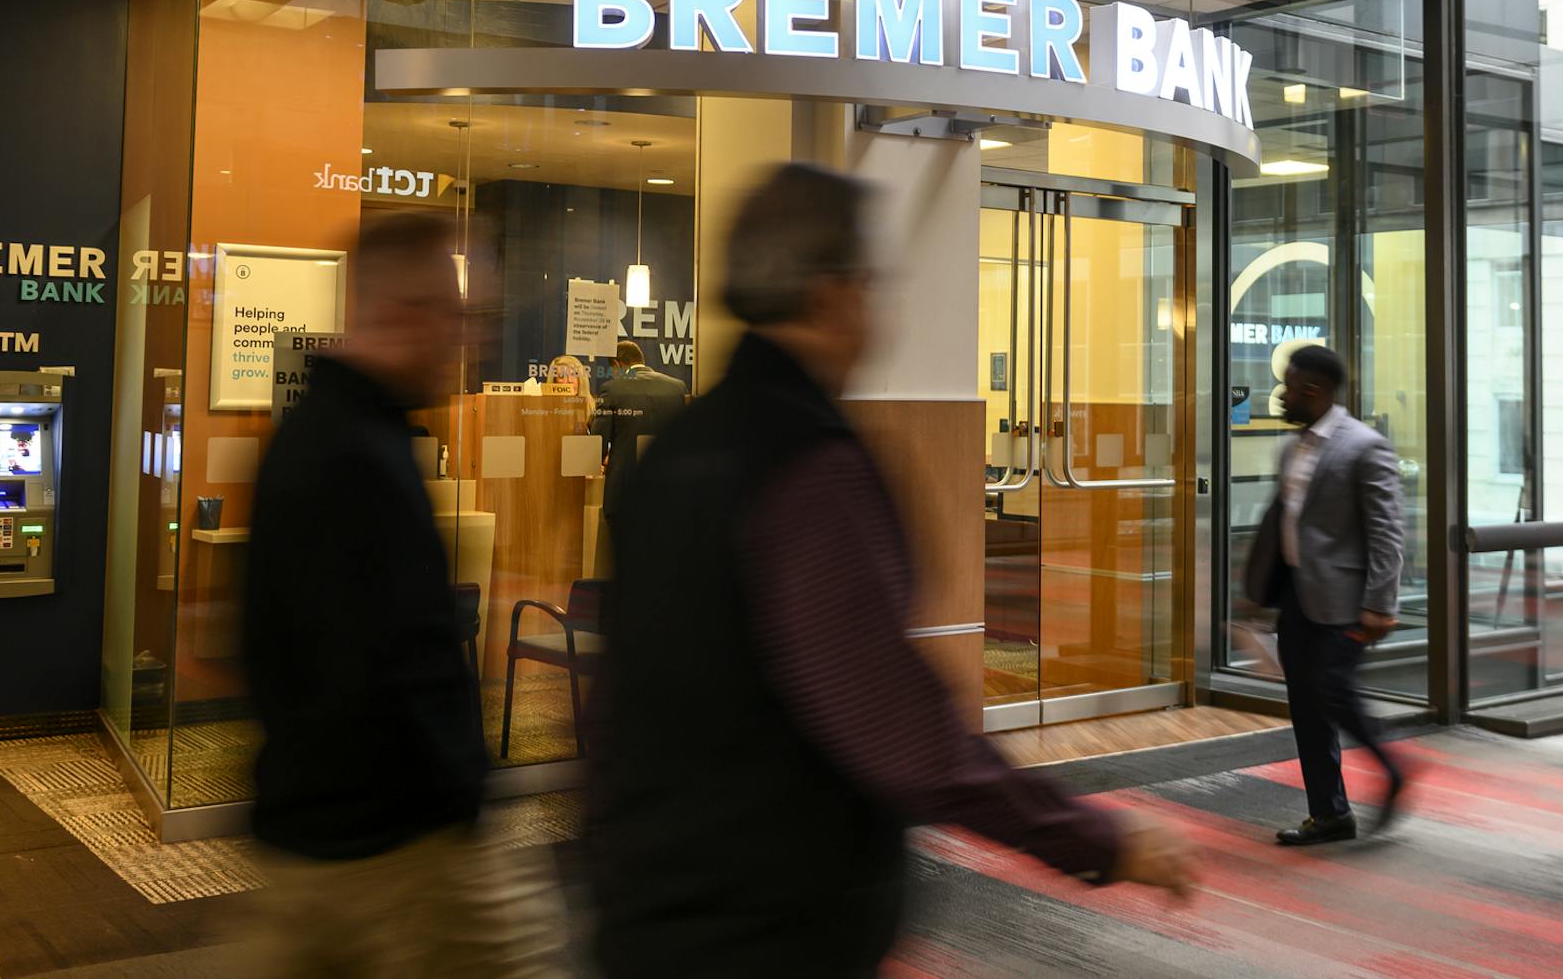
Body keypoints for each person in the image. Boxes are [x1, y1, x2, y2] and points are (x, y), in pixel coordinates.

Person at [589, 164, 1195, 978]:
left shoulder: (679, 452)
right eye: (871, 283)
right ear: (829, 294)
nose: (880, 310)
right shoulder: (810, 465)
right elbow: (900, 726)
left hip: (653, 904)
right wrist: (1091, 835)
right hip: (769, 923)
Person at [242, 213, 542, 975]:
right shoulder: (358, 456)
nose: (470, 341)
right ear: (410, 313)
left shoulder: (323, 433)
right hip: (404, 849)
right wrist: (458, 789)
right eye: (461, 318)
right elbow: (393, 659)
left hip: (316, 832)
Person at [1243, 343, 1407, 846]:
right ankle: (1330, 814)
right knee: (1306, 706)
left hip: (1346, 601)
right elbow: (1283, 520)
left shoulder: (1365, 447)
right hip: (1297, 596)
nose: (1281, 395)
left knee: (1333, 692)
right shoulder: (1291, 448)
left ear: (1312, 390)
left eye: (1289, 387)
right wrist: (1258, 590)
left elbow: (1387, 532)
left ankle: (1393, 769)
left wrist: (1380, 604)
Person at [587, 338, 686, 503]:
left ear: (617, 364)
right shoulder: (678, 387)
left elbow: (598, 442)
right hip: (667, 482)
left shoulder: (611, 389)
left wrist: (592, 463)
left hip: (624, 486)